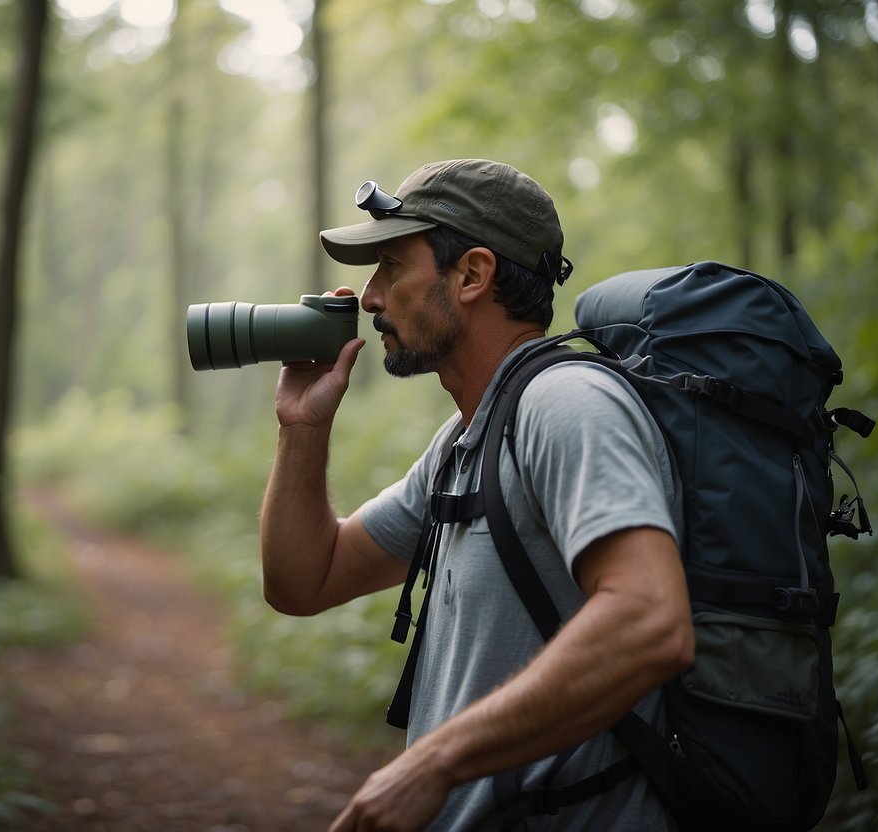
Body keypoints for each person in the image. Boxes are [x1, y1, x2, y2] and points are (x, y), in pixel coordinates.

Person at [258, 159, 695, 831]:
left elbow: (650, 622)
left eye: (391, 267)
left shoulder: (566, 405)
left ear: (471, 275)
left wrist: (432, 762)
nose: (370, 299)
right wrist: (303, 426)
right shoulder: (468, 439)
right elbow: (303, 580)